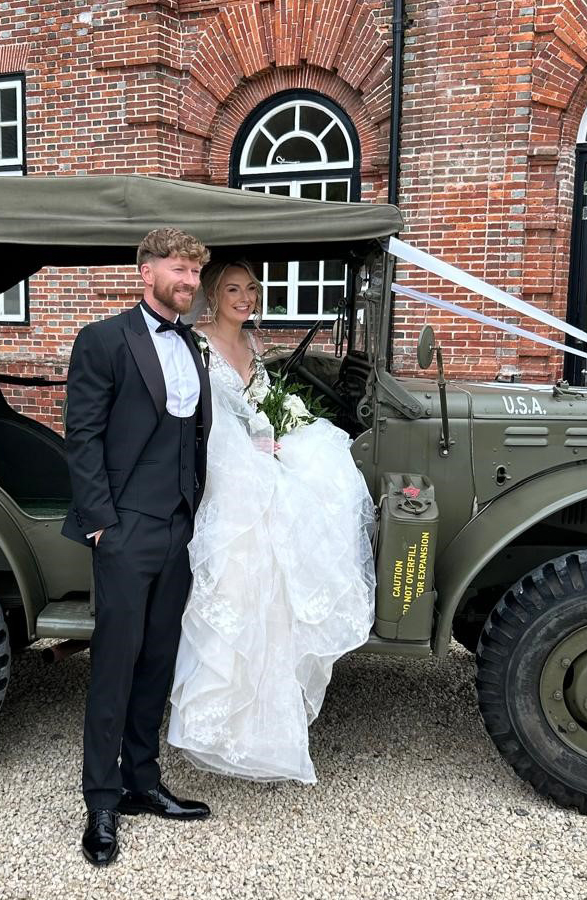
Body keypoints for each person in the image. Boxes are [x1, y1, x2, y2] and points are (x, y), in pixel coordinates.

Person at [167, 259, 376, 784]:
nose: (246, 297)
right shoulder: (193, 343)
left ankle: (266, 721)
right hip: (215, 460)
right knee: (249, 552)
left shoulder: (254, 346)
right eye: (233, 289)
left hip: (253, 452)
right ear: (212, 295)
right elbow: (195, 412)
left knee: (318, 478)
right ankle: (215, 717)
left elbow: (261, 407)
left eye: (252, 289)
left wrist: (283, 434)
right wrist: (250, 450)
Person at [61, 228, 215, 867]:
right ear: (145, 273)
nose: (190, 282)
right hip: (125, 529)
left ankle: (143, 782)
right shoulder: (103, 340)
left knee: (158, 660)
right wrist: (102, 524)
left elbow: (197, 433)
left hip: (181, 525)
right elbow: (83, 435)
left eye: (195, 272)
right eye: (180, 269)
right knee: (115, 665)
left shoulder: (194, 344)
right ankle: (101, 798)